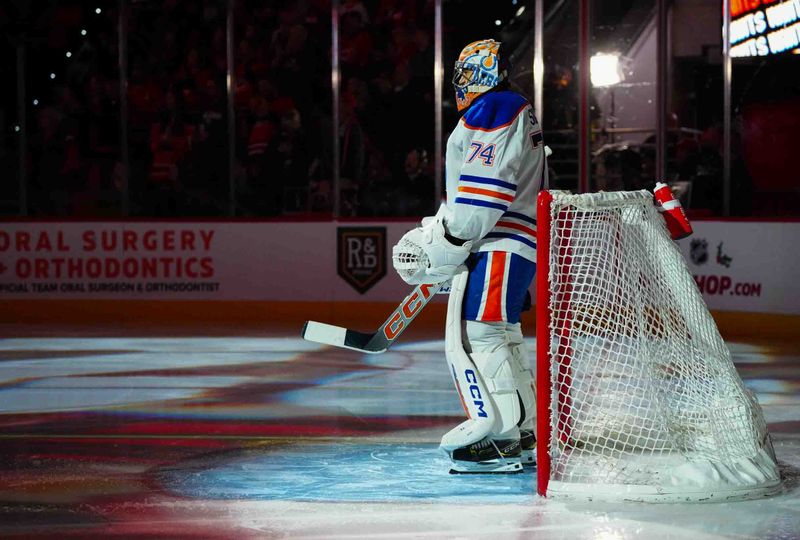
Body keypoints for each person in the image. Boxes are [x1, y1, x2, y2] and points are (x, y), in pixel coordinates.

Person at [392, 39, 547, 473]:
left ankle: (499, 439)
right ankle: (525, 432)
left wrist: (445, 243)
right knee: (500, 334)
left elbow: (482, 200)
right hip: (509, 241)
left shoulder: (493, 110)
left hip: (500, 241)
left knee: (483, 335)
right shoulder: (509, 107)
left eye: (463, 72)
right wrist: (443, 231)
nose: (458, 82)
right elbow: (471, 198)